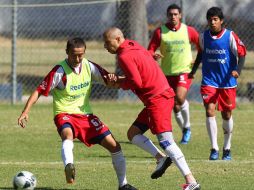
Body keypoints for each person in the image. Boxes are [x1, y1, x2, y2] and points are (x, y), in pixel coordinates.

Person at [17, 37, 137, 190]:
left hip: (86, 116)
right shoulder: (59, 71)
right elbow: (39, 90)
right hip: (64, 113)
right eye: (74, 55)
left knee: (115, 146)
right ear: (67, 52)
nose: (78, 58)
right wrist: (25, 112)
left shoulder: (89, 66)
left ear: (84, 53)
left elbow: (110, 82)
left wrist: (120, 78)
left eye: (81, 55)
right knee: (68, 135)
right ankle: (69, 165)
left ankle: (123, 185)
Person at [103, 27, 200, 190]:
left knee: (166, 141)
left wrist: (119, 84)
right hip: (159, 97)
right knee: (133, 134)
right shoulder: (133, 45)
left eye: (107, 43)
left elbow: (137, 82)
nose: (105, 47)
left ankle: (191, 182)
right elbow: (140, 72)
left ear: (118, 39)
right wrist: (120, 80)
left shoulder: (123, 55)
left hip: (158, 99)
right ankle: (160, 159)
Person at [189, 7, 246, 160]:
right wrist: (193, 71)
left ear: (221, 21)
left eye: (215, 19)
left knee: (226, 114)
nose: (212, 22)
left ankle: (227, 148)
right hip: (209, 80)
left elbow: (242, 54)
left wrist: (237, 71)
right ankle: (214, 148)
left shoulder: (230, 36)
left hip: (227, 82)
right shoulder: (203, 37)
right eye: (210, 19)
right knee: (209, 110)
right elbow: (201, 54)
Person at [148, 4, 200, 144]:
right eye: (170, 14)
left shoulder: (189, 31)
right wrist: (154, 55)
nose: (173, 17)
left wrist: (196, 64)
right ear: (167, 16)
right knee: (175, 105)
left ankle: (187, 126)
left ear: (180, 15)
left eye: (176, 14)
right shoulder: (160, 32)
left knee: (179, 98)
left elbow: (201, 48)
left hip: (184, 71)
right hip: (166, 74)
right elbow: (150, 50)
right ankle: (185, 129)